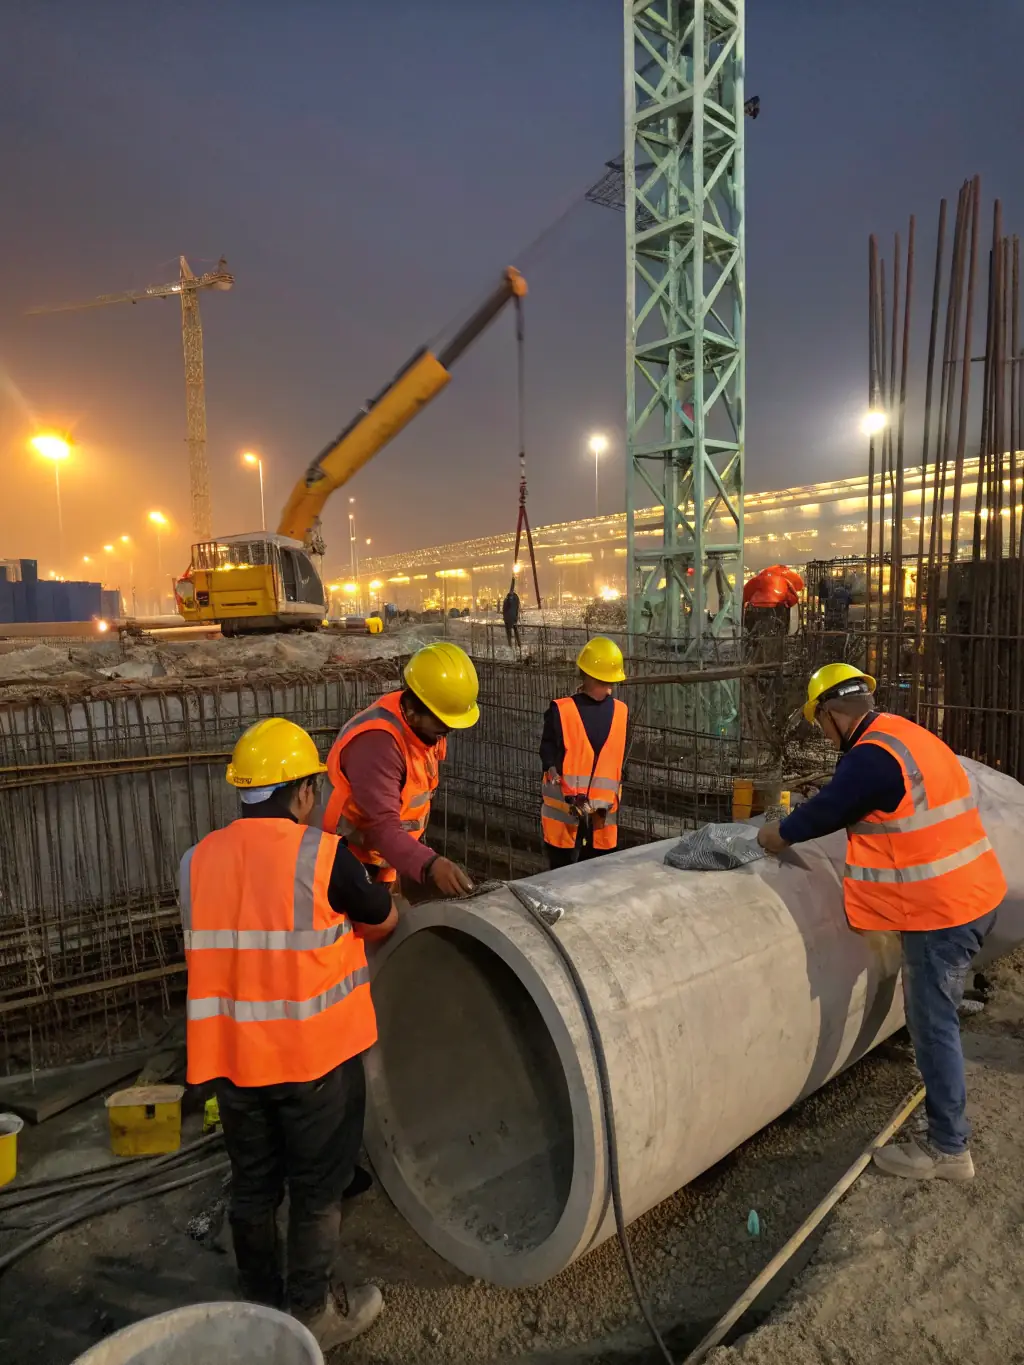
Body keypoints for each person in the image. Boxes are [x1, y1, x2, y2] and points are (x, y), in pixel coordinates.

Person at [180, 718, 395, 1348]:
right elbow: (379, 915)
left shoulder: (196, 862)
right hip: (313, 1063)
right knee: (316, 1190)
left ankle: (260, 1308)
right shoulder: (323, 855)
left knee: (252, 1187)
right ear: (303, 792)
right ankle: (309, 1315)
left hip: (234, 1065)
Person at [757, 663, 1007, 1181]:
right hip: (973, 893)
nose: (823, 737)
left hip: (941, 911)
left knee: (931, 1023)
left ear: (830, 713)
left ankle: (947, 1149)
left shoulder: (871, 756)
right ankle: (947, 1133)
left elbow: (826, 811)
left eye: (820, 724)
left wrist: (774, 837)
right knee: (935, 1016)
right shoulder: (905, 734)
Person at [322, 641, 478, 899]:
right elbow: (382, 827)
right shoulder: (378, 746)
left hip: (385, 859)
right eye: (442, 726)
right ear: (414, 711)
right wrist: (429, 864)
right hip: (346, 862)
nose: (446, 734)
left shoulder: (425, 730)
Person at [540, 636, 628, 870]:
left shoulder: (563, 710)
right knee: (590, 883)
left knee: (567, 882)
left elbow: (547, 754)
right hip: (575, 818)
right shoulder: (618, 712)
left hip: (591, 819)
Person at [502, 582, 522, 653]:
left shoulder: (507, 600)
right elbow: (516, 609)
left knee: (510, 632)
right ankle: (518, 645)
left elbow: (504, 609)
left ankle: (513, 645)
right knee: (513, 631)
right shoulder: (515, 599)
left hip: (510, 619)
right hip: (512, 618)